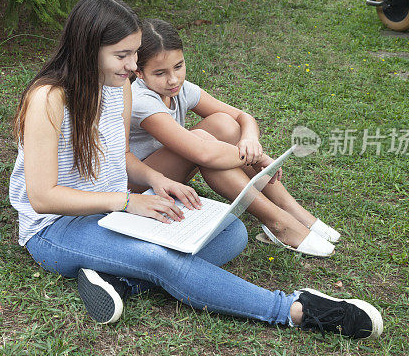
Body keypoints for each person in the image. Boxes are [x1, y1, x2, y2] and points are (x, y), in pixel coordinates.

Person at [8, 0, 383, 339]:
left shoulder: (118, 85)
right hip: (55, 228)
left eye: (135, 53)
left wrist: (156, 179)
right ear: (87, 48)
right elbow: (42, 197)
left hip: (111, 210)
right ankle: (297, 310)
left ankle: (120, 282)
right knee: (162, 259)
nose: (133, 65)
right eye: (121, 55)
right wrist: (125, 201)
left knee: (230, 231)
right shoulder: (48, 99)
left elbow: (120, 157)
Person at [129, 18, 339, 258]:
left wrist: (250, 142)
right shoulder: (142, 101)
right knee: (203, 143)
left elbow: (242, 117)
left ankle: (292, 209)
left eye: (178, 66)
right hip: (139, 185)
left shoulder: (180, 89)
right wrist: (253, 158)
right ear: (139, 72)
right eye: (160, 73)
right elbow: (202, 153)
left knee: (224, 124)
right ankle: (278, 222)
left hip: (172, 174)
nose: (173, 79)